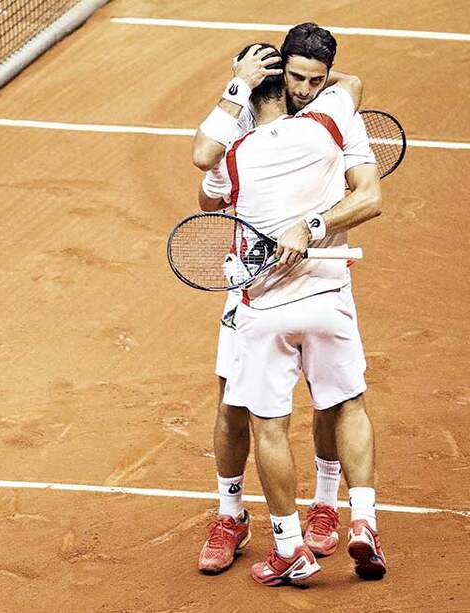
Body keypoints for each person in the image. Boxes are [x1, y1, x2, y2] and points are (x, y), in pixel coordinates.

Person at [196, 26, 386, 585]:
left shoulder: (326, 119)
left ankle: (314, 520)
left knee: (309, 410)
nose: (307, 88)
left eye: (315, 79)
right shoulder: (324, 121)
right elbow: (208, 199)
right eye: (296, 78)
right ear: (280, 77)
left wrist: (311, 223)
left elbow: (367, 188)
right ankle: (232, 515)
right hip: (258, 291)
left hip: (284, 298)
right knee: (233, 406)